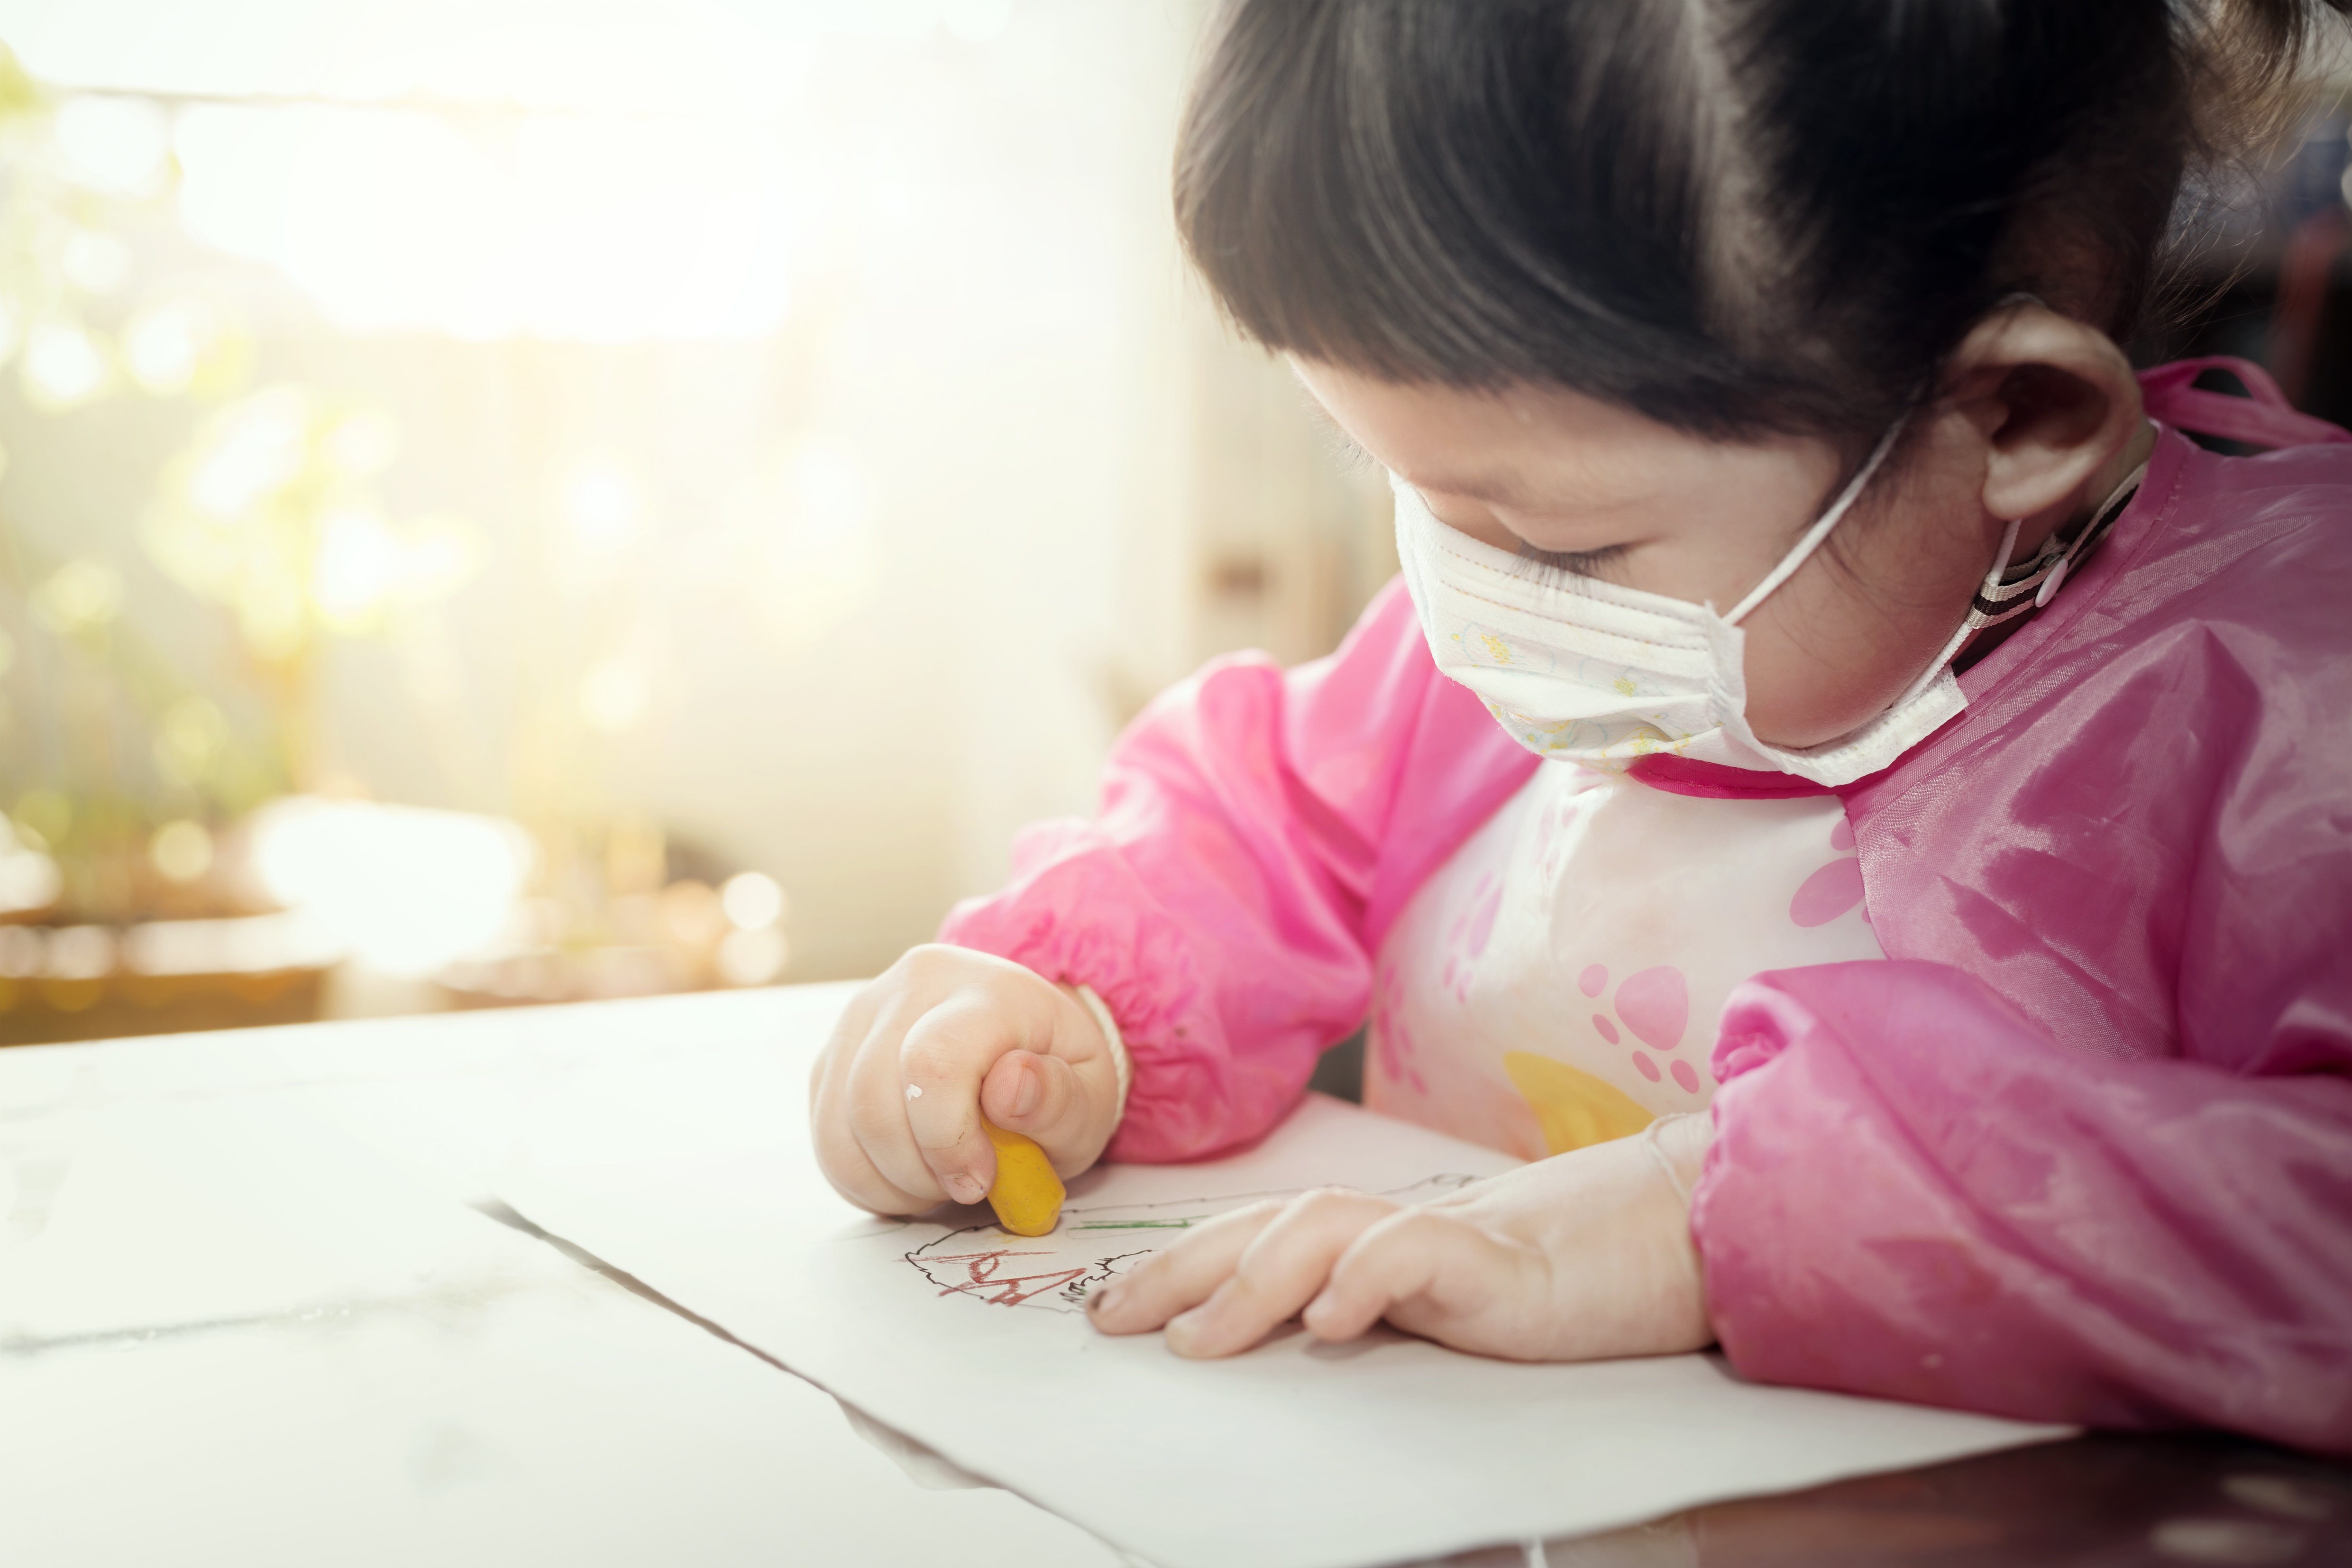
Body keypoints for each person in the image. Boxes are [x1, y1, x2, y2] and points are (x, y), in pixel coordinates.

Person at [808, 0, 2352, 1452]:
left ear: (2012, 420)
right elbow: (1261, 816)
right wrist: (1069, 1012)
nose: (1472, 593)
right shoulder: (1546, 636)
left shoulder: (2279, 706)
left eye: (1563, 547)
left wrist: (1725, 1216)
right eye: (1409, 486)